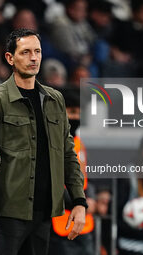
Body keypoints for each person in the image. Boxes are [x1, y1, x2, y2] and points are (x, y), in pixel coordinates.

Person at [0, 28, 87, 255]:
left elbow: (67, 154)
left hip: (45, 212)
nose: (34, 58)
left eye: (37, 51)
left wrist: (79, 201)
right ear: (10, 58)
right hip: (7, 210)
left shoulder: (55, 99)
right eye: (26, 52)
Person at [48, 88, 96, 255]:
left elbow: (85, 179)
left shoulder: (78, 143)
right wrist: (82, 202)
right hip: (60, 223)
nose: (77, 117)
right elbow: (51, 183)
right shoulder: (52, 142)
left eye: (79, 113)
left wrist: (92, 198)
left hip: (84, 223)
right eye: (72, 112)